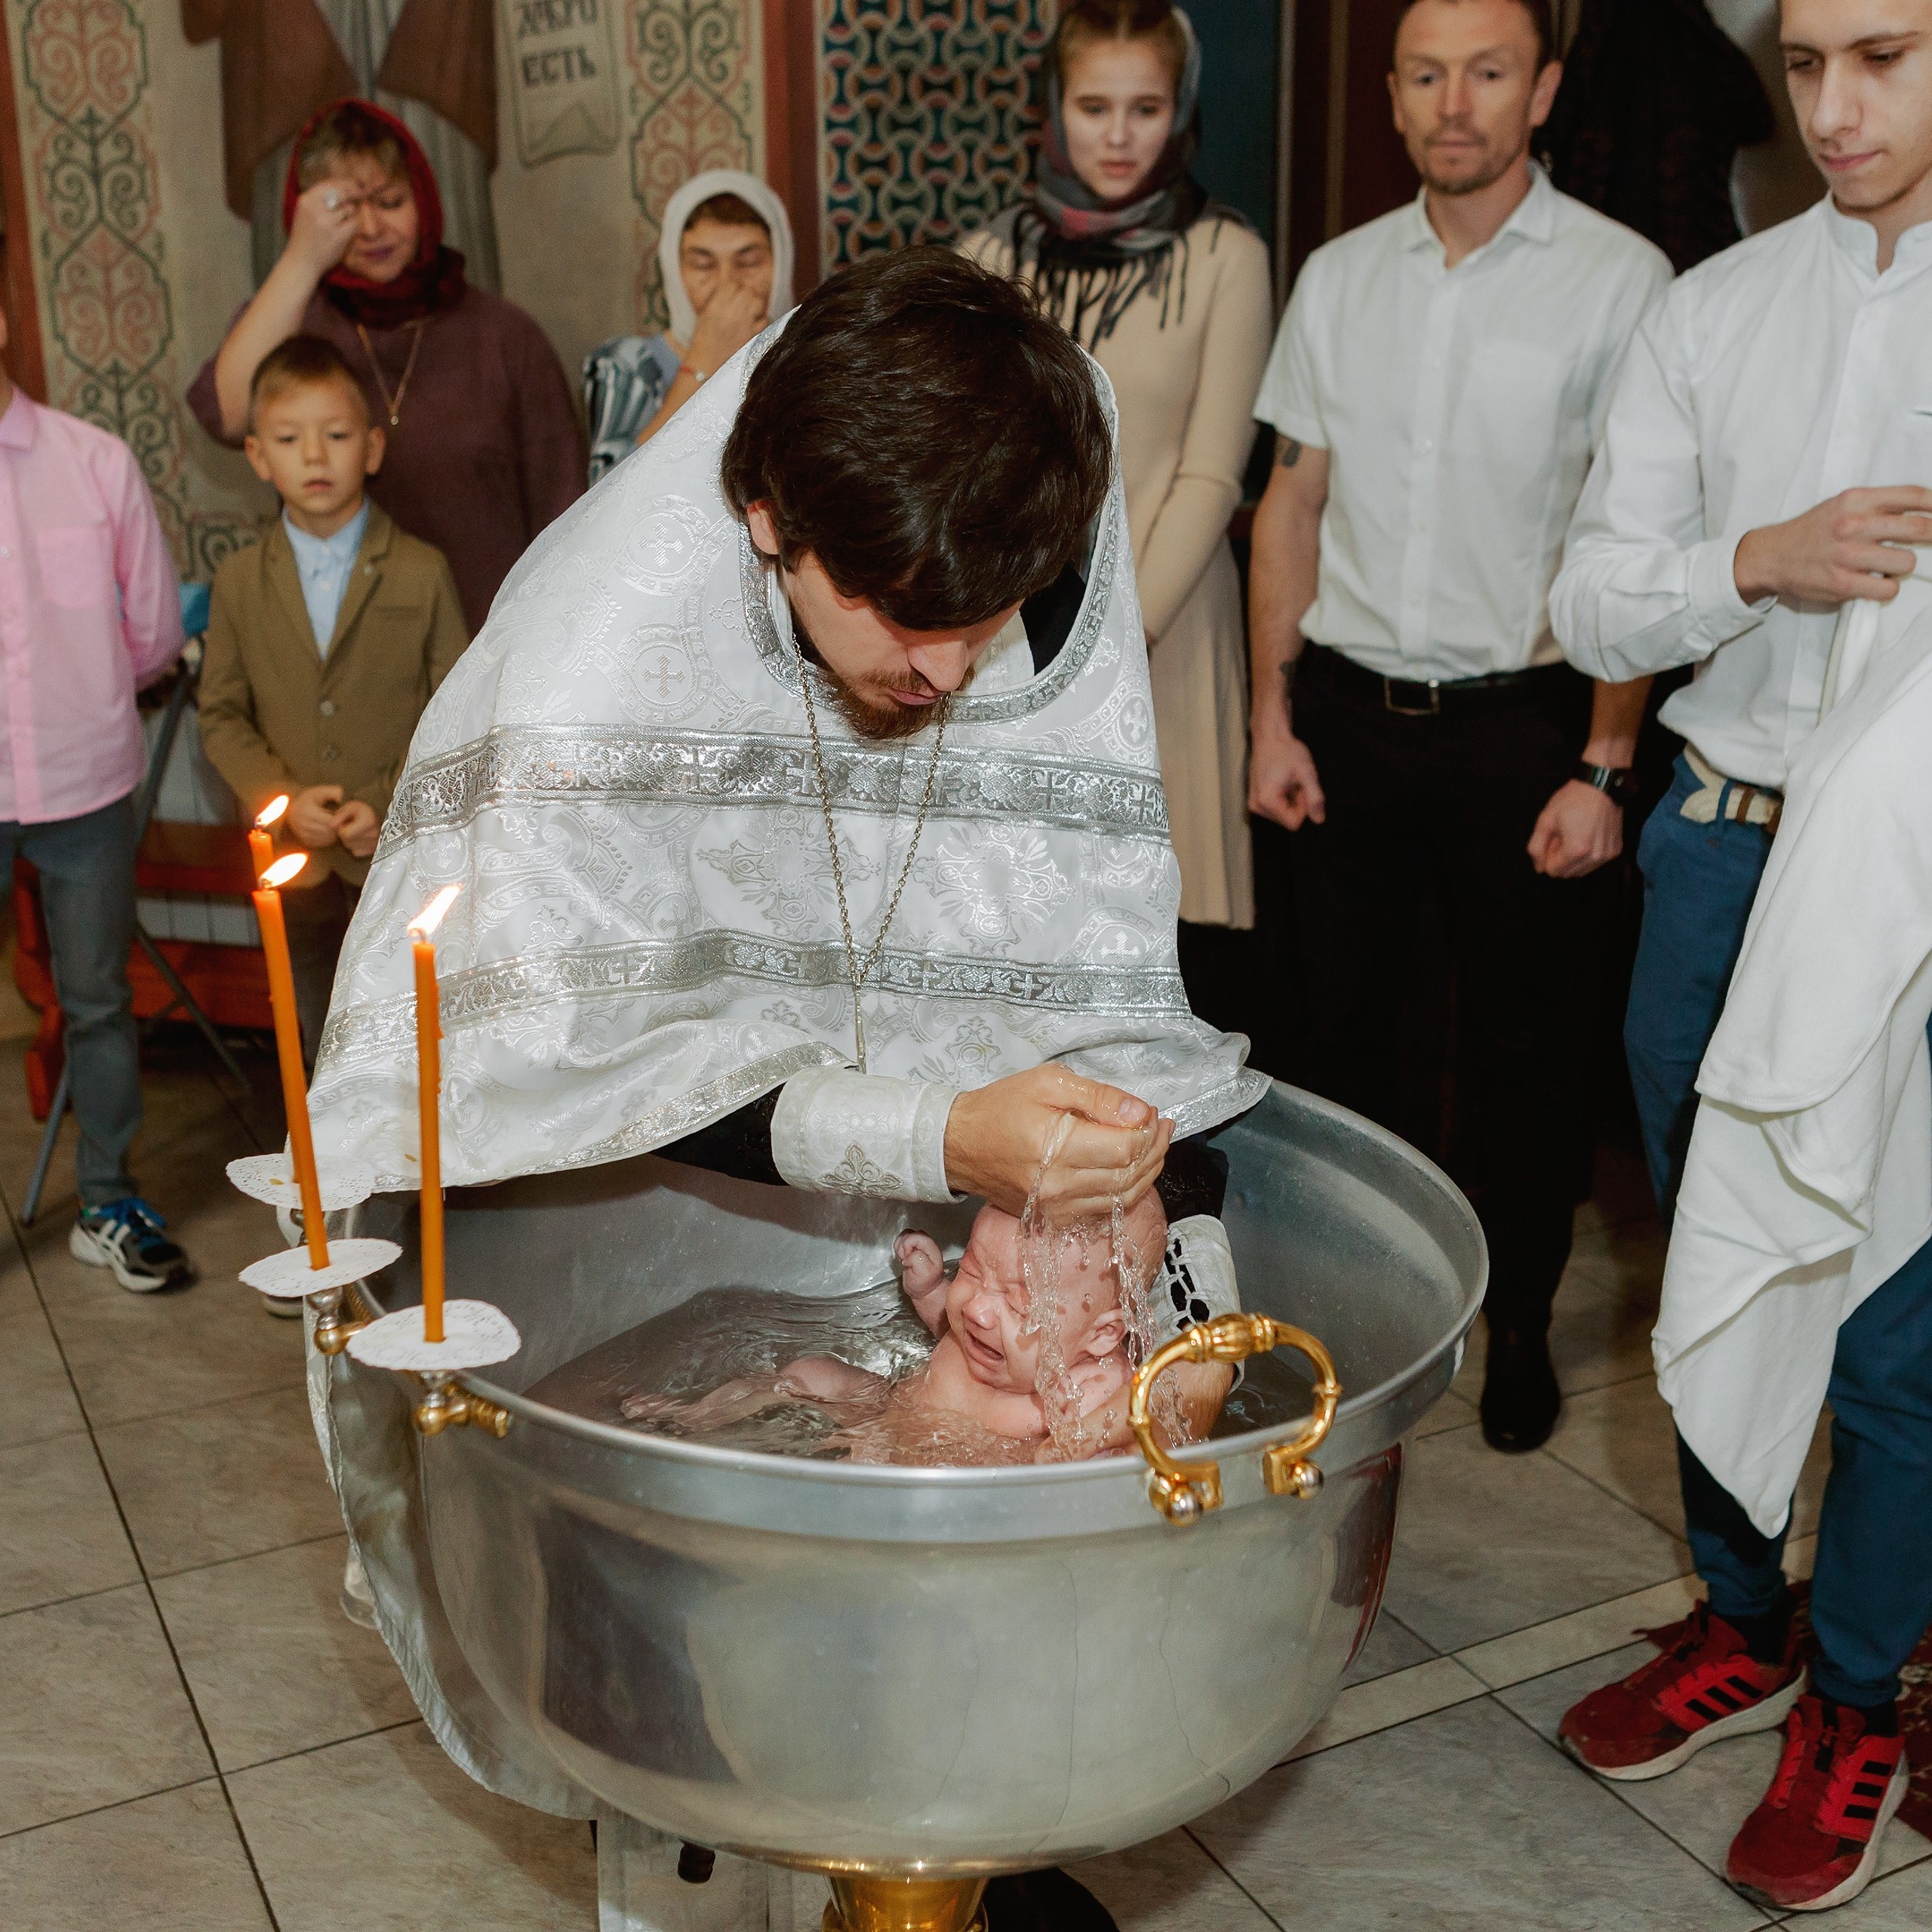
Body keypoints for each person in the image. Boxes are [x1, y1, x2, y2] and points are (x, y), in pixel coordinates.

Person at [303, 247, 1265, 1932]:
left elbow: (1084, 963)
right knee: (715, 1713)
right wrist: (926, 1127)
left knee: (993, 1645)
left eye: (989, 621)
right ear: (767, 519)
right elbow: (560, 1068)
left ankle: (971, 1844)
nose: (954, 675)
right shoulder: (597, 659)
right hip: (654, 1205)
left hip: (962, 1211)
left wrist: (1146, 1203)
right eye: (900, 618)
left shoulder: (1039, 493)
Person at [1549, 0, 1932, 1908]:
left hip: (1920, 878)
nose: (1838, 106)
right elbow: (1590, 591)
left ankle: (1859, 1692)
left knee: (1886, 1315)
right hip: (1718, 835)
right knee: (1710, 1244)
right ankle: (1738, 1615)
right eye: (1804, 66)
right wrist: (1754, 558)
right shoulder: (1710, 309)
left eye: (1888, 55)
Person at [1247, 0, 1669, 1452]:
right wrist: (1269, 714)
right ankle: (1348, 1329)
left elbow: (1641, 531)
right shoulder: (1340, 278)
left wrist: (1607, 762)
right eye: (1427, 74)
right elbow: (1290, 500)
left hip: (1528, 725)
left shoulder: (1625, 283)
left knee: (1529, 1056)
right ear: (1393, 94)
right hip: (1348, 716)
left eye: (1488, 72)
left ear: (1542, 89)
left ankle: (1523, 1325)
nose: (1455, 102)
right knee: (1335, 1047)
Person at [961, 1, 1272, 992]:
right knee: (1028, 927)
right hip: (1012, 634)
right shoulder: (987, 258)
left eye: (1145, 107)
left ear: (1180, 110)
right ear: (1054, 108)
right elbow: (970, 464)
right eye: (1095, 105)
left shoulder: (1228, 256)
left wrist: (1111, 640)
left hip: (1167, 632)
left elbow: (1213, 472)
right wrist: (1020, 627)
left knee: (1164, 946)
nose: (1119, 134)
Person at [188, 99, 583, 636]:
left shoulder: (504, 335)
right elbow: (227, 418)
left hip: (489, 647)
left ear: (423, 199)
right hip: (346, 656)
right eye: (346, 212)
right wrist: (302, 259)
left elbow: (566, 514)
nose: (372, 228)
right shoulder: (292, 321)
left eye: (391, 201)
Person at [197, 334, 468, 1075]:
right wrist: (280, 799)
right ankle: (324, 1175)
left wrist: (386, 798)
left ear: (373, 448)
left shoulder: (421, 571)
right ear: (257, 456)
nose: (314, 457)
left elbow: (455, 711)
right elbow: (219, 714)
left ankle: (409, 1185)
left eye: (337, 435)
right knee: (313, 1034)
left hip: (393, 855)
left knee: (406, 1034)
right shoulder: (241, 581)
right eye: (290, 439)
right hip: (295, 858)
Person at [0, 307, 191, 1291]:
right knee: (97, 1003)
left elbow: (153, 633)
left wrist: (76, 690)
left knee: (99, 1003)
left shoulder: (92, 463)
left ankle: (108, 1201)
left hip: (83, 781)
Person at [623, 1195, 1171, 1465]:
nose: (979, 1310)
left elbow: (1118, 1449)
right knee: (807, 1373)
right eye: (975, 1270)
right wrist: (931, 1291)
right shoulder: (981, 1325)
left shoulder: (1090, 1393)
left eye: (1021, 1302)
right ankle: (694, 1417)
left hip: (953, 1479)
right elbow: (946, 1333)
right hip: (885, 1408)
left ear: (1100, 1336)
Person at [583, 171, 795, 484]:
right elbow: (602, 495)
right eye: (703, 265)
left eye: (749, 262)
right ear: (673, 269)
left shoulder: (809, 356)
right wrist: (703, 359)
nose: (727, 283)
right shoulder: (628, 364)